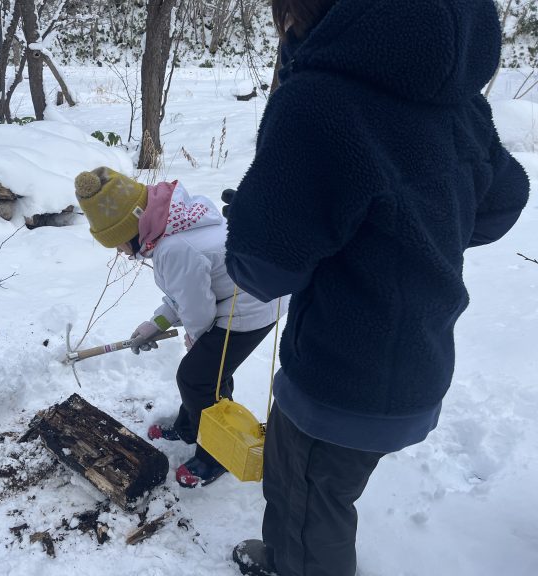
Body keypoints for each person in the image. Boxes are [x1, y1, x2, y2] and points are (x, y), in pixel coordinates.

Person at [223, 0, 530, 575]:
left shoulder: (320, 102)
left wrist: (256, 221)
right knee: (329, 492)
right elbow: (503, 201)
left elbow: (264, 268)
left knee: (306, 503)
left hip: (338, 378)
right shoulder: (457, 98)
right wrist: (420, 234)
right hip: (422, 360)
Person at [74, 166, 288, 488]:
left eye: (117, 244)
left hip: (251, 308)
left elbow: (196, 308)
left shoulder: (173, 249)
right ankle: (190, 429)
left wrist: (197, 339)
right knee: (204, 375)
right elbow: (182, 295)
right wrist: (154, 324)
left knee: (197, 378)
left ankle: (215, 454)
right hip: (242, 296)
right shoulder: (174, 226)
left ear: (131, 230)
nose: (120, 253)